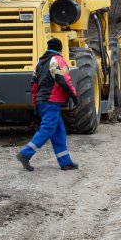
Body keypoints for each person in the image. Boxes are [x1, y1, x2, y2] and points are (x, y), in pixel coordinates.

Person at [16, 38, 79, 171]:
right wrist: (74, 96)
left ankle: (65, 162)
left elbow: (34, 85)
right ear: (60, 49)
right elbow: (64, 81)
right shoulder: (58, 60)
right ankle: (25, 154)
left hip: (42, 102)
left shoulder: (39, 63)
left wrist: (35, 103)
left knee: (59, 131)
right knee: (47, 129)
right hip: (52, 102)